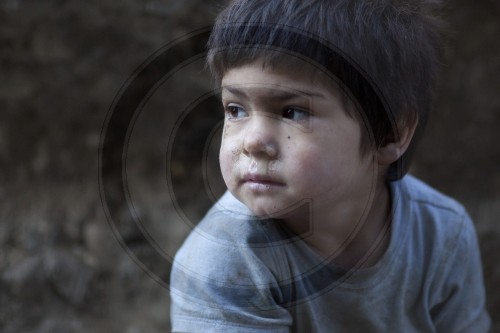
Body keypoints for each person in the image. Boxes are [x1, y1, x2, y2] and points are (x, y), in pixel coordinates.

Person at [170, 0, 491, 331]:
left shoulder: (442, 233)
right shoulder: (225, 260)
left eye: (293, 112)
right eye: (236, 109)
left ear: (390, 132)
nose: (252, 142)